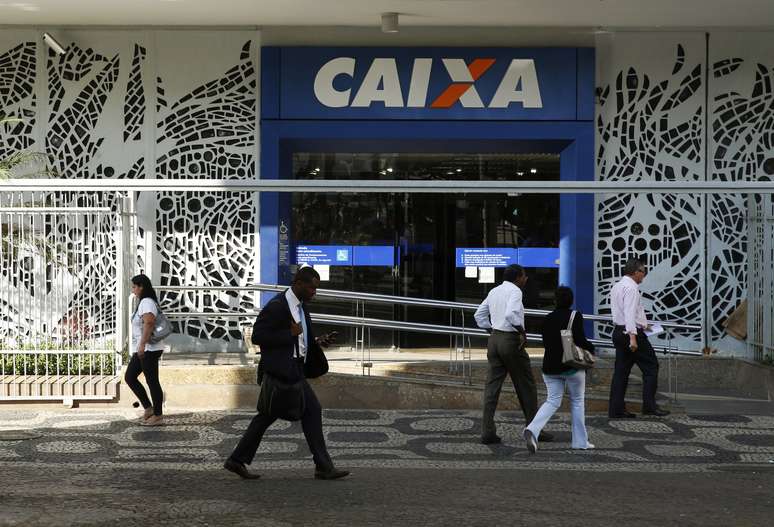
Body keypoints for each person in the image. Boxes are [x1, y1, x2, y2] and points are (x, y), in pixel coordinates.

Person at [224, 266, 349, 480]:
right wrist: (287, 334)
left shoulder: (301, 305)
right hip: (283, 370)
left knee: (295, 413)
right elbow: (258, 336)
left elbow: (300, 338)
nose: (314, 293)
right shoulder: (277, 306)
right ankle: (322, 467)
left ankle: (237, 460)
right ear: (298, 284)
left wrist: (317, 342)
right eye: (311, 288)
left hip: (297, 368)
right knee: (275, 415)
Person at [474, 264, 553, 444]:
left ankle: (487, 431)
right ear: (517, 277)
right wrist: (522, 332)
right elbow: (511, 314)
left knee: (492, 388)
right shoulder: (516, 291)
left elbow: (479, 316)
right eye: (524, 276)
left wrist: (492, 331)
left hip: (494, 340)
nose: (526, 279)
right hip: (510, 340)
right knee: (526, 385)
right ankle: (534, 430)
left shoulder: (494, 291)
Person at [523, 286, 595, 454]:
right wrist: (591, 349)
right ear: (571, 300)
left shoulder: (547, 318)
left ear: (555, 300)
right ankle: (580, 442)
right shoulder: (574, 316)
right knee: (577, 402)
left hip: (549, 367)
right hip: (571, 367)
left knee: (552, 400)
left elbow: (546, 342)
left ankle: (532, 429)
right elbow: (581, 340)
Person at [608, 258, 670, 418]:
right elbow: (629, 313)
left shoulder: (617, 286)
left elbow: (624, 313)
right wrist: (633, 338)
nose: (644, 275)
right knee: (651, 367)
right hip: (630, 333)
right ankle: (649, 406)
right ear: (636, 272)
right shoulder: (631, 288)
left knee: (621, 372)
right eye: (643, 271)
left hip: (619, 332)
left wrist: (643, 324)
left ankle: (616, 409)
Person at [124, 274, 166, 426]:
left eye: (135, 286)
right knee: (130, 376)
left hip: (149, 348)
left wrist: (142, 344)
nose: (133, 290)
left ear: (142, 287)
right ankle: (148, 408)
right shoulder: (144, 302)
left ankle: (158, 415)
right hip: (144, 348)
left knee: (152, 381)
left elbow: (149, 323)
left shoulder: (146, 302)